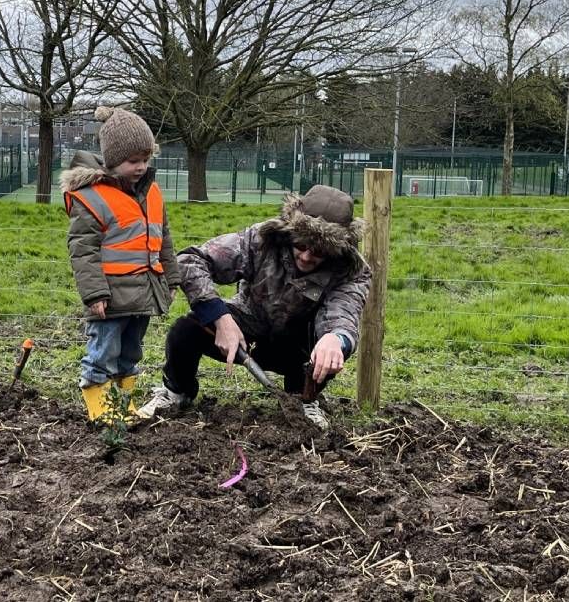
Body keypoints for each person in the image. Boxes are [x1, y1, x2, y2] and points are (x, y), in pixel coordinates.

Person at [136, 185, 370, 430]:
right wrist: (220, 318)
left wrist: (336, 339)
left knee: (331, 349)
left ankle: (305, 400)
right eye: (300, 244)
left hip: (299, 346)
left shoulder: (350, 270)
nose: (307, 256)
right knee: (186, 330)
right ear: (291, 231)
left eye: (320, 251)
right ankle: (176, 393)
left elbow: (344, 312)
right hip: (245, 328)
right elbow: (190, 260)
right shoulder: (262, 240)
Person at [61, 106, 180, 423]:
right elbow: (82, 249)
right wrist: (94, 293)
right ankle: (100, 409)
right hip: (109, 297)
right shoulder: (91, 197)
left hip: (143, 292)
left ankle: (122, 406)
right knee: (103, 353)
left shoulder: (152, 192)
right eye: (133, 161)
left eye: (145, 159)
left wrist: (171, 278)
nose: (141, 167)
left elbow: (163, 237)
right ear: (112, 160)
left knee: (130, 353)